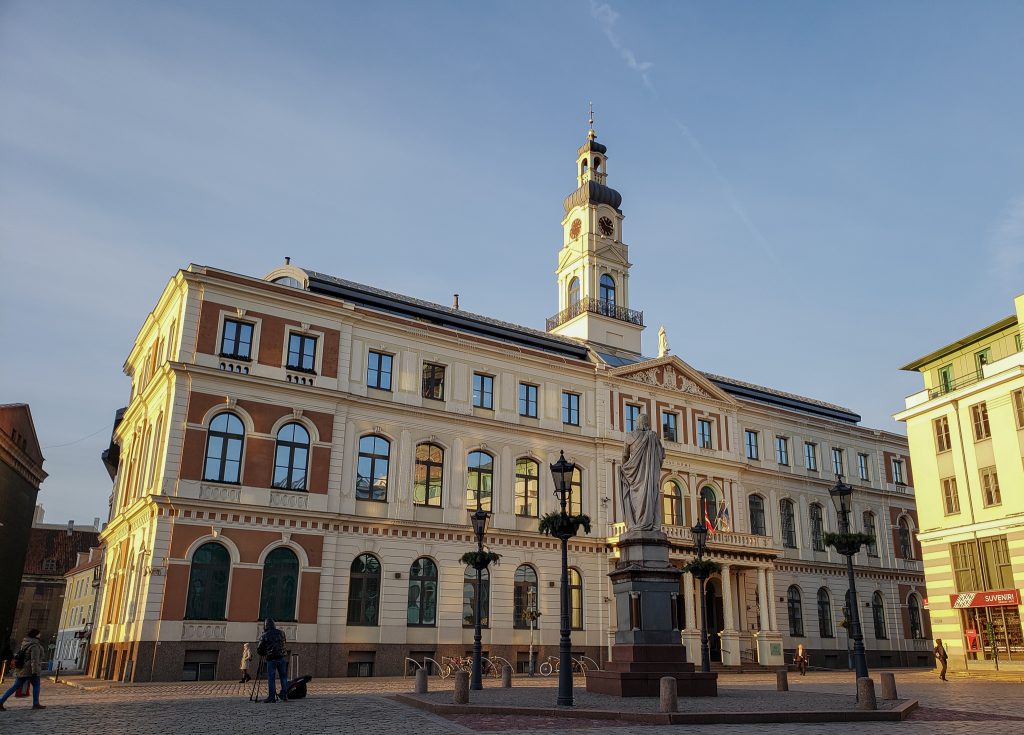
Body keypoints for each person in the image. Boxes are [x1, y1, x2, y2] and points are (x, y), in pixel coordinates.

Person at [619, 413, 666, 533]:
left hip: (633, 476)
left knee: (636, 500)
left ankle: (637, 523)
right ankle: (647, 522)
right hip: (648, 477)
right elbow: (661, 457)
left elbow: (625, 455)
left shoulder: (630, 436)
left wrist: (625, 469)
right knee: (649, 498)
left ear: (636, 423)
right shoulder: (653, 437)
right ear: (646, 423)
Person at [0, 628, 46, 711]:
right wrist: (35, 671)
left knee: (14, 687)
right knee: (36, 686)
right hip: (31, 670)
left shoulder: (25, 643)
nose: (40, 635)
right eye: (39, 634)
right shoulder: (35, 645)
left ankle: (1, 701)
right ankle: (36, 704)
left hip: (22, 669)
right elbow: (34, 659)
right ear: (36, 635)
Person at [257, 619, 288, 702]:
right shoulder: (282, 633)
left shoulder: (264, 635)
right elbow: (284, 643)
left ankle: (271, 697)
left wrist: (264, 652)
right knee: (283, 677)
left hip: (271, 659)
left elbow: (259, 649)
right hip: (281, 658)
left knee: (271, 678)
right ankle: (284, 694)